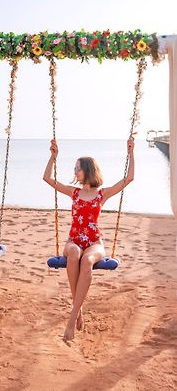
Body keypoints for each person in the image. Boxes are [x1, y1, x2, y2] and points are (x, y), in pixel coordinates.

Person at [43, 137, 135, 342]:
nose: (75, 172)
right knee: (75, 253)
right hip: (73, 241)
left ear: (88, 170)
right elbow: (47, 179)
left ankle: (72, 318)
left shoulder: (101, 194)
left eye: (78, 168)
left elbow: (128, 179)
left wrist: (130, 153)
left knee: (87, 260)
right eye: (75, 168)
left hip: (95, 243)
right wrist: (53, 156)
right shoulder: (73, 192)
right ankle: (79, 310)